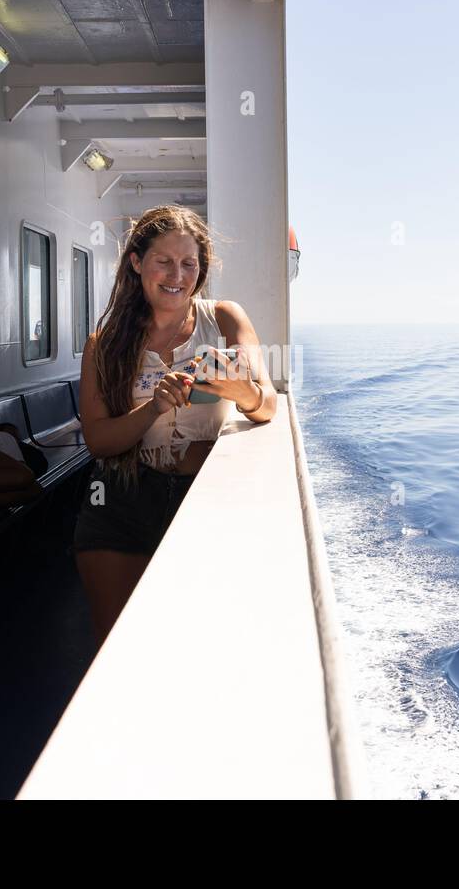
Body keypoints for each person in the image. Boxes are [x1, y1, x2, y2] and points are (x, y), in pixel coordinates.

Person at [71, 205, 278, 648]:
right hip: (120, 503)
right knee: (118, 648)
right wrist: (152, 409)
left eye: (189, 263)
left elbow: (266, 406)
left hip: (202, 499)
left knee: (195, 642)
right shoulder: (103, 344)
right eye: (163, 260)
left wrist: (238, 390)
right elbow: (98, 442)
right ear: (136, 263)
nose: (176, 274)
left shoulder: (224, 318)